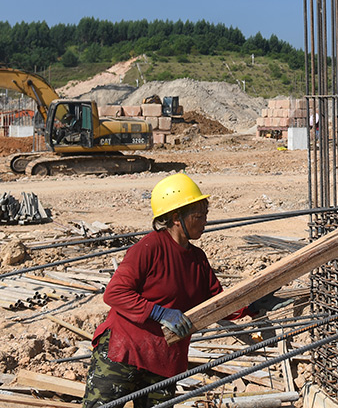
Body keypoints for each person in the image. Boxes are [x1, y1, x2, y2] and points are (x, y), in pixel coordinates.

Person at [82, 173, 251, 408]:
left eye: (206, 215)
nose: (205, 222)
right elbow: (115, 293)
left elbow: (217, 303)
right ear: (176, 218)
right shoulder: (149, 248)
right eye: (198, 216)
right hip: (125, 352)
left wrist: (253, 303)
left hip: (164, 361)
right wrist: (159, 313)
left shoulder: (198, 259)